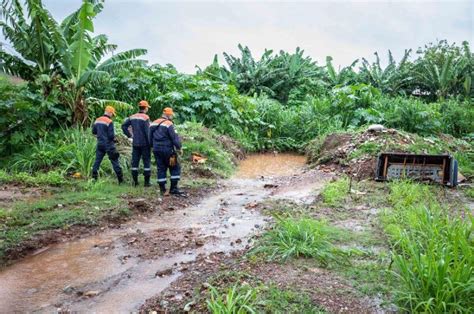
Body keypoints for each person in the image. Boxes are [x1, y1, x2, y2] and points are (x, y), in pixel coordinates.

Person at [149, 107, 185, 196]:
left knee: (161, 168)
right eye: (171, 115)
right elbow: (174, 137)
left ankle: (162, 189)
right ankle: (173, 188)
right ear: (168, 114)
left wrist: (152, 147)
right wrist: (179, 147)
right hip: (168, 150)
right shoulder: (169, 124)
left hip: (156, 150)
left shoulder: (153, 123)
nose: (172, 117)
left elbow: (149, 137)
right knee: (174, 167)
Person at [122, 100, 152, 187]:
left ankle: (135, 182)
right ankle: (147, 183)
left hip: (135, 143)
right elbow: (147, 132)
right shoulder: (146, 117)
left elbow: (124, 126)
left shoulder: (132, 117)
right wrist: (150, 143)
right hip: (145, 144)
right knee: (146, 163)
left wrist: (129, 135)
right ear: (145, 108)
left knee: (135, 163)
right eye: (147, 108)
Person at [92, 106, 123, 183]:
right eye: (112, 114)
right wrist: (115, 140)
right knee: (115, 160)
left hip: (100, 144)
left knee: (97, 161)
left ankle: (94, 179)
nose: (112, 115)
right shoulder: (109, 122)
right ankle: (120, 180)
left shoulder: (97, 120)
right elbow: (111, 136)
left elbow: (94, 132)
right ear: (109, 113)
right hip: (109, 145)